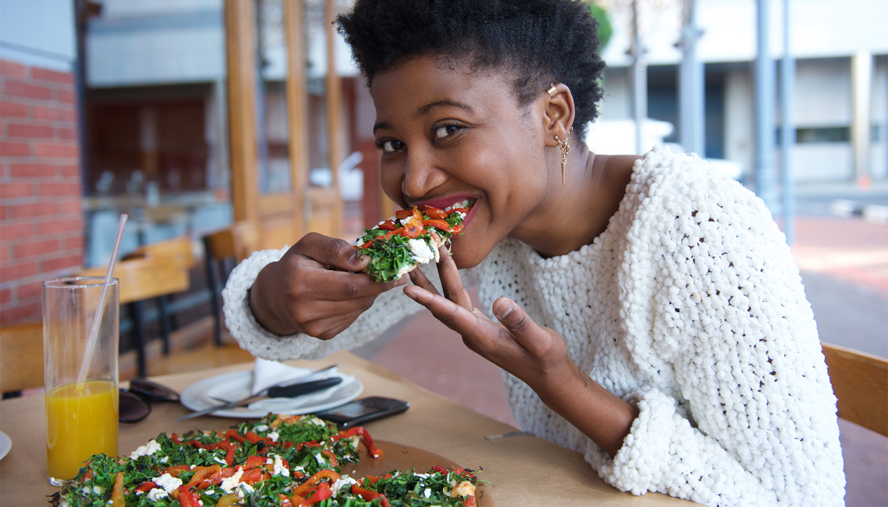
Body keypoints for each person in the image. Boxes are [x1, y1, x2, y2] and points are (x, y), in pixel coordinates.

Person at [222, 1, 845, 505]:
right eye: (392, 143)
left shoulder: (701, 228)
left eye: (447, 131)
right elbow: (293, 331)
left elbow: (801, 498)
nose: (412, 182)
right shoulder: (470, 224)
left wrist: (565, 388)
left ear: (553, 115)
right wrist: (277, 296)